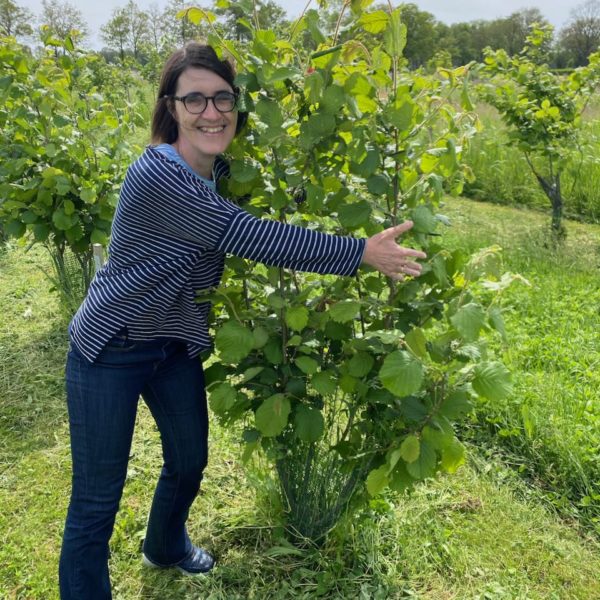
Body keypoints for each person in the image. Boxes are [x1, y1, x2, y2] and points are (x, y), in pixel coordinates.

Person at [58, 42, 426, 599]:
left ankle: (165, 545)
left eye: (222, 97)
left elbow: (249, 213)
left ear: (236, 104)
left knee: (188, 461)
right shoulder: (159, 172)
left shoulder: (217, 171)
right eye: (195, 99)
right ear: (171, 108)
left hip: (173, 342)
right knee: (96, 498)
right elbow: (248, 235)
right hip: (114, 343)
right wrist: (358, 253)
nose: (211, 111)